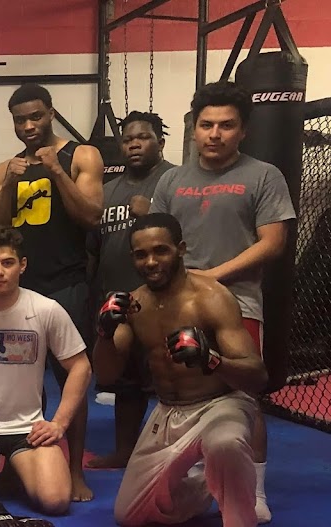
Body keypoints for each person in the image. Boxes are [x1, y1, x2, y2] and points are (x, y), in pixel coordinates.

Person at [149, 81, 296, 523]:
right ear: (194, 129)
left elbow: (273, 242)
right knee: (188, 389)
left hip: (237, 301)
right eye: (206, 125)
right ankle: (203, 474)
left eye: (226, 125)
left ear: (243, 130)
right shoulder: (172, 180)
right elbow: (157, 240)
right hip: (179, 304)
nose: (215, 134)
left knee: (242, 393)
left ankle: (255, 490)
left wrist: (211, 277)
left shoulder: (263, 175)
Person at [98, 213, 269, 527]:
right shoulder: (135, 304)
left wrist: (210, 360)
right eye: (141, 254)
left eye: (160, 250)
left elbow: (257, 377)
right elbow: (106, 375)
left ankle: (240, 518)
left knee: (225, 444)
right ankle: (207, 485)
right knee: (129, 515)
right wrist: (104, 334)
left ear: (181, 249)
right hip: (168, 411)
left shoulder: (212, 298)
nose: (151, 262)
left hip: (220, 404)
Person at [0, 84, 103, 501]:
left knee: (72, 377)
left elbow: (92, 217)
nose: (29, 126)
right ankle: (21, 463)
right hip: (22, 290)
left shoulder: (81, 156)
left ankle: (75, 470)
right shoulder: (6, 168)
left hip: (67, 283)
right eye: (20, 120)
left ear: (51, 113)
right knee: (23, 382)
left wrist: (56, 171)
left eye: (36, 116)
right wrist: (7, 186)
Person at [0, 227, 91, 516]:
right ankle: (8, 470)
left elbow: (80, 365)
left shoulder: (46, 309)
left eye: (7, 263)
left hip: (28, 429)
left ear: (22, 265)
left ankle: (16, 468)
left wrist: (58, 423)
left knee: (56, 501)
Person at [86, 111, 176, 469]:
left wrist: (151, 211)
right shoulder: (108, 191)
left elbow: (185, 234)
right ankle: (124, 452)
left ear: (160, 142)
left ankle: (175, 453)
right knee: (126, 382)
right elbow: (94, 248)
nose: (134, 144)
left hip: (162, 299)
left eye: (143, 137)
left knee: (171, 375)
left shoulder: (174, 181)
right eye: (127, 139)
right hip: (118, 297)